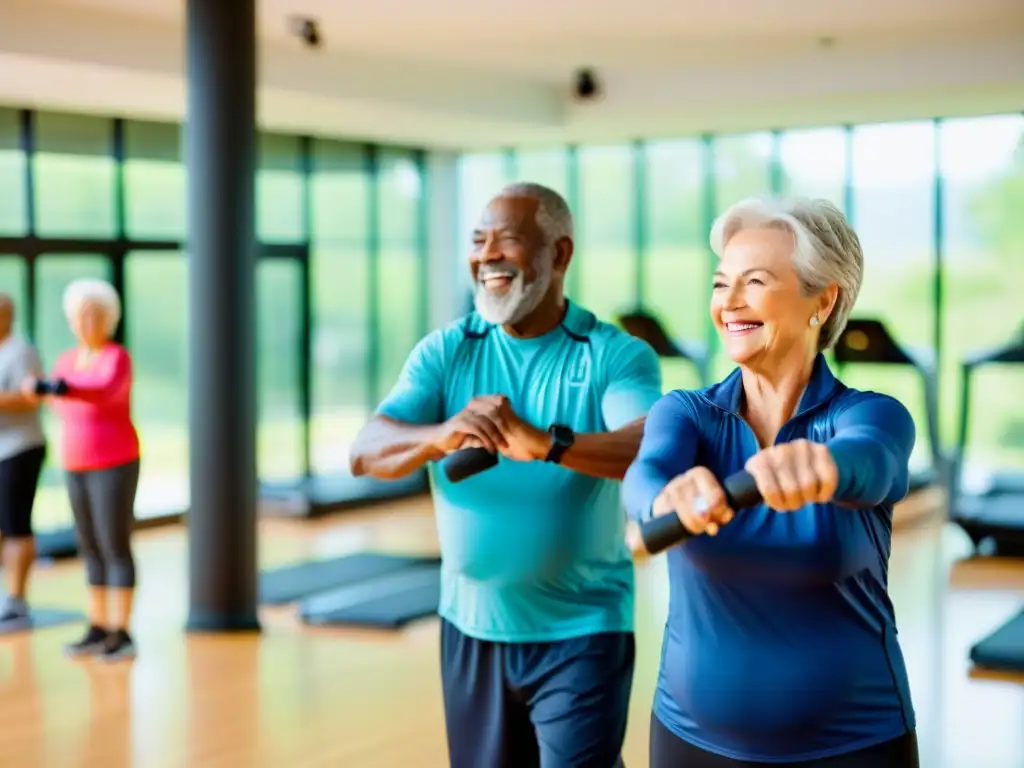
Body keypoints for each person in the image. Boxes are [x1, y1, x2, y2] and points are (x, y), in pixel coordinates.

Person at [350, 182, 663, 768]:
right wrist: (438, 435)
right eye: (477, 240)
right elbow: (365, 451)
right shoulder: (447, 350)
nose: (487, 254)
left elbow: (650, 440)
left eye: (508, 240)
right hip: (470, 629)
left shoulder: (612, 354)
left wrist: (549, 444)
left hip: (582, 629)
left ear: (560, 254)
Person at [623, 196, 920, 767]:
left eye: (754, 282)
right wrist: (664, 497)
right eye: (720, 284)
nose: (728, 303)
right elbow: (646, 474)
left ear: (823, 299)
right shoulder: (686, 413)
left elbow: (874, 459)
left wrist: (823, 468)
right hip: (689, 740)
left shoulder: (868, 416)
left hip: (855, 744)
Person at [23, 278, 140, 662]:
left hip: (114, 463)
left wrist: (57, 388)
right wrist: (53, 390)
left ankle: (121, 630)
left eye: (95, 314)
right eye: (80, 315)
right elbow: (64, 401)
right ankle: (98, 624)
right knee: (89, 545)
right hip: (76, 462)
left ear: (109, 318)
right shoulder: (67, 361)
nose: (87, 321)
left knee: (113, 544)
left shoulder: (115, 358)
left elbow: (100, 388)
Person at [0, 293, 48, 624]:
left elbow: (33, 398)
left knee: (16, 525)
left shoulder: (21, 351)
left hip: (21, 448)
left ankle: (17, 600)